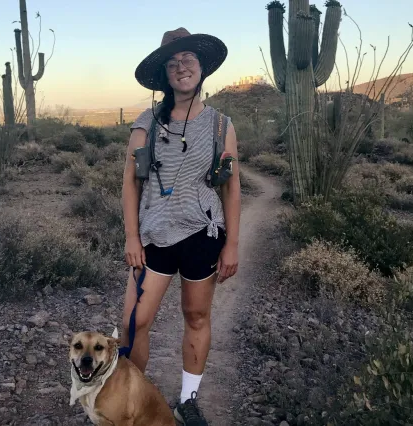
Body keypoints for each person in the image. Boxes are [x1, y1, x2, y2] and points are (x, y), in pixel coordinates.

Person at [120, 27, 241, 425]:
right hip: (153, 237)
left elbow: (231, 188)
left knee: (197, 316)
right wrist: (132, 236)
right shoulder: (146, 124)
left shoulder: (221, 125)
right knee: (135, 322)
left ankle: (187, 401)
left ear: (202, 68)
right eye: (172, 62)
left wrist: (232, 245)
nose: (180, 67)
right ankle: (134, 398)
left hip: (202, 237)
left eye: (187, 59)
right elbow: (129, 183)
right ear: (164, 75)